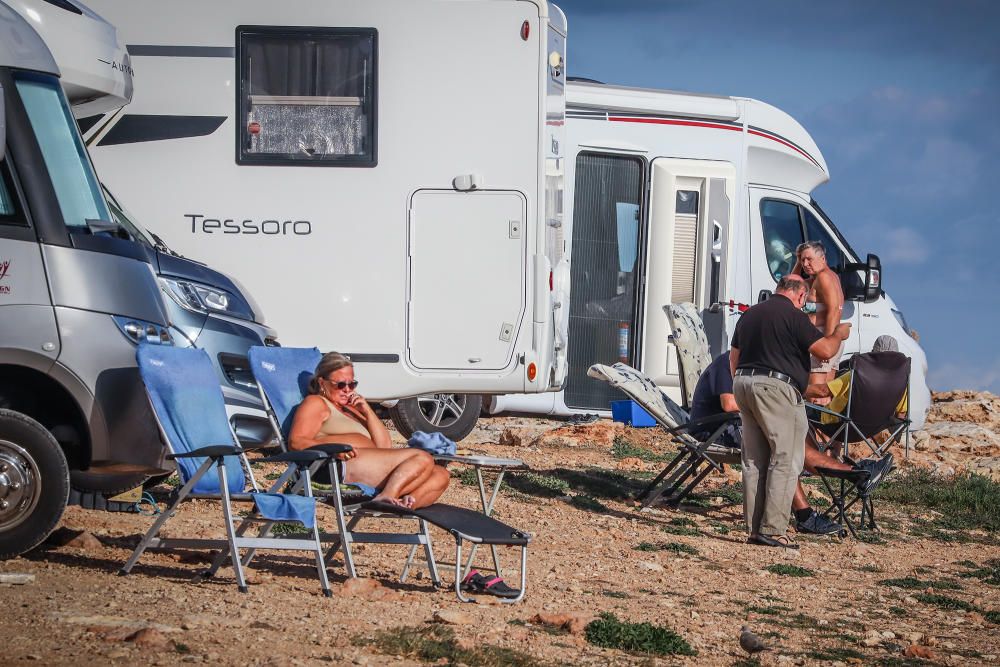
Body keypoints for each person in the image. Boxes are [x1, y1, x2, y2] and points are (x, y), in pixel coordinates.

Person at [690, 349, 874, 536]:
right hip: (714, 431)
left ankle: (853, 475)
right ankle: (849, 477)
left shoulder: (751, 366)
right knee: (779, 444)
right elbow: (728, 404)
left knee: (787, 435)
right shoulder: (727, 362)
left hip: (736, 425)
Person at [729, 274, 850, 549]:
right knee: (786, 458)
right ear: (800, 296)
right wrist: (839, 334)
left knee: (754, 460)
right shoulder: (793, 316)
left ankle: (754, 529)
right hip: (776, 388)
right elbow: (825, 352)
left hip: (744, 384)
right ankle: (772, 530)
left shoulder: (749, 315)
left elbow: (733, 356)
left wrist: (740, 383)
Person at [288, 352, 450, 509]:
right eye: (341, 385)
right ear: (322, 383)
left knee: (441, 475)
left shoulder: (352, 409)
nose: (347, 389)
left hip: (369, 466)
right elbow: (296, 441)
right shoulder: (316, 403)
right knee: (422, 457)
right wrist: (330, 450)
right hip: (335, 466)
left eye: (352, 384)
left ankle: (404, 505)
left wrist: (366, 410)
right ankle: (387, 496)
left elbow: (384, 446)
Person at [793, 241, 846, 385]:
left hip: (822, 338)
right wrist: (798, 262)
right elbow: (792, 285)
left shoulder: (824, 277)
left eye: (809, 259)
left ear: (822, 258)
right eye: (802, 260)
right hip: (827, 338)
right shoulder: (818, 279)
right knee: (823, 396)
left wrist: (827, 345)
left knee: (814, 394)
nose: (805, 263)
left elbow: (834, 310)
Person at [688, 350, 740, 447]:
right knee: (769, 438)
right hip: (711, 434)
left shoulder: (742, 368)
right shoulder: (726, 362)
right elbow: (729, 405)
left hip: (728, 427)